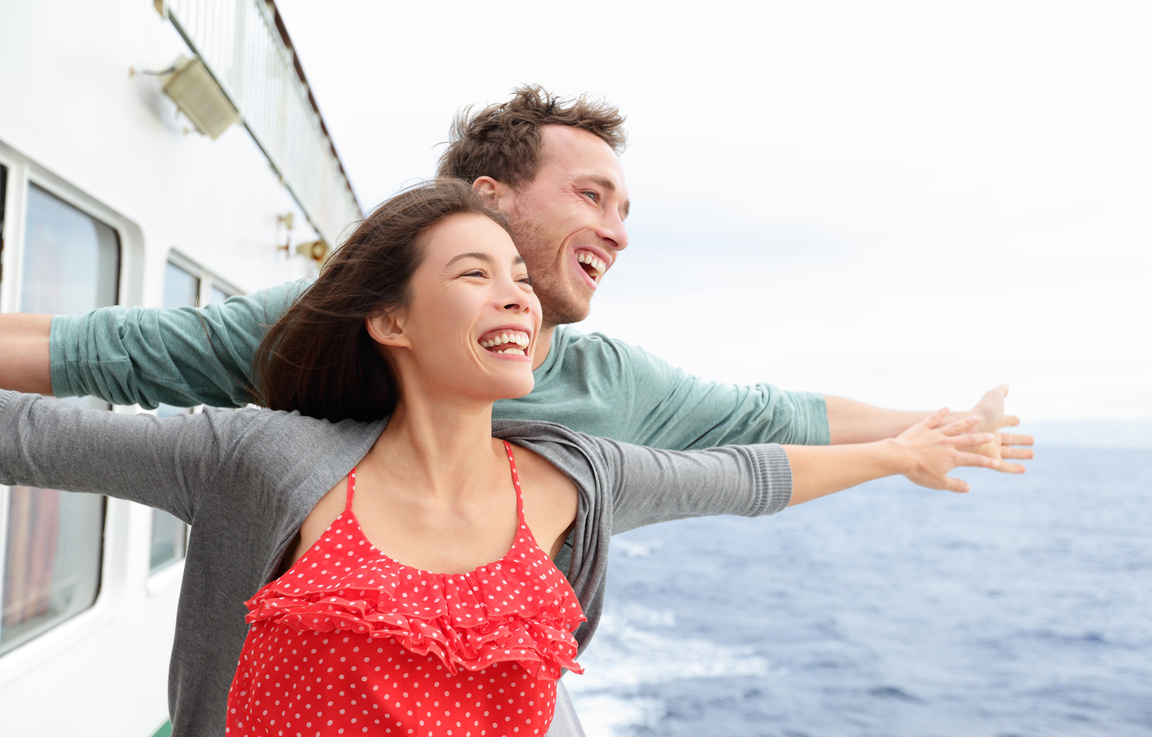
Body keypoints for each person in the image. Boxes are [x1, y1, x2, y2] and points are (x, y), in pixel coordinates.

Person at [0, 181, 1003, 737]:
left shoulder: (572, 480)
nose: (517, 295)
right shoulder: (263, 465)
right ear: (391, 322)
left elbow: (748, 469)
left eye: (519, 278)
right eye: (475, 274)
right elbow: (32, 437)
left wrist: (904, 453)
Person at [0, 85, 1034, 464]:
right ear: (491, 198)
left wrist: (925, 428)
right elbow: (81, 354)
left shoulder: (607, 391)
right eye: (591, 196)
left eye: (625, 209)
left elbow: (771, 420)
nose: (617, 231)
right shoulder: (330, 326)